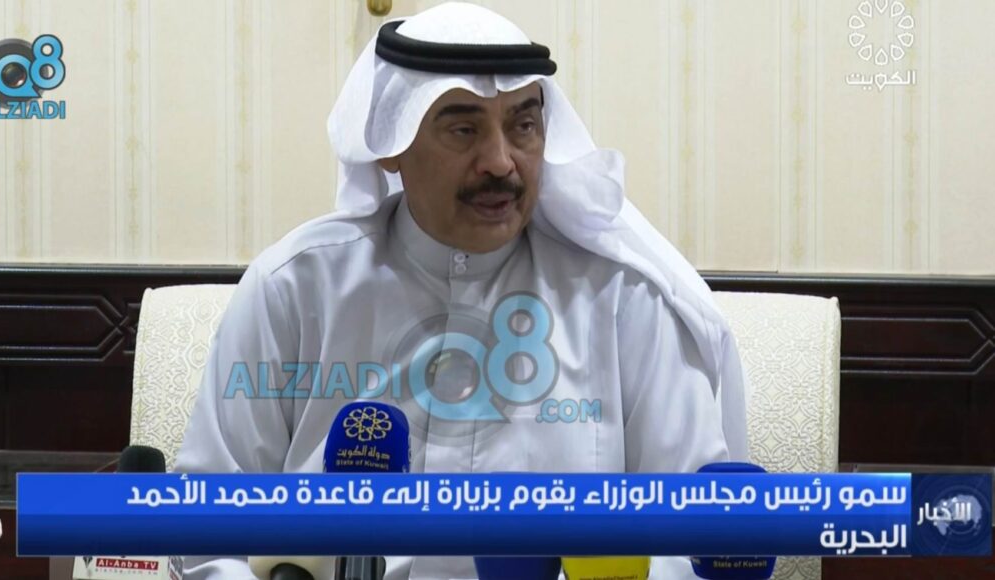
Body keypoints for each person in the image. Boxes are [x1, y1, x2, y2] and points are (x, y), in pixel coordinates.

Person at [176, 3, 749, 578]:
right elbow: (204, 529)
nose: (500, 162)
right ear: (391, 142)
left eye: (523, 126)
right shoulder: (294, 288)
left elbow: (701, 539)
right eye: (464, 129)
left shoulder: (625, 300)